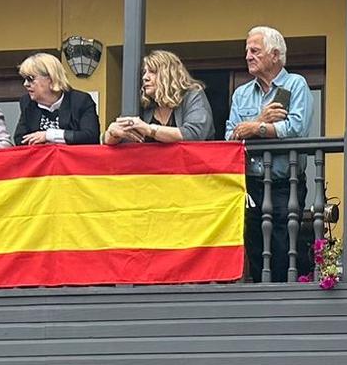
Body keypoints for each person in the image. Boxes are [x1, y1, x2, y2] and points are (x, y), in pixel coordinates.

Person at [227, 25, 315, 281]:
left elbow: (295, 128)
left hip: (285, 183)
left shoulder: (295, 84)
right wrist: (262, 121)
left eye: (255, 50)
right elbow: (230, 136)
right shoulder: (241, 94)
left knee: (283, 247)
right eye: (247, 51)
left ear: (275, 55)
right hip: (250, 184)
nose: (248, 56)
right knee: (254, 245)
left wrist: (253, 128)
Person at [105, 50, 215, 145]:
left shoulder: (192, 95)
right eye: (144, 72)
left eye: (152, 72)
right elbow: (116, 138)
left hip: (189, 167)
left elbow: (195, 134)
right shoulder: (142, 103)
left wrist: (149, 130)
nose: (145, 77)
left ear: (169, 75)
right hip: (148, 169)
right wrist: (111, 134)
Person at [14, 52, 101, 146]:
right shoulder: (27, 102)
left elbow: (91, 136)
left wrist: (49, 136)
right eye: (24, 79)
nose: (25, 84)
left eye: (30, 78)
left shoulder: (80, 101)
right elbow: (20, 139)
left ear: (51, 78)